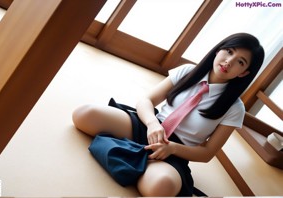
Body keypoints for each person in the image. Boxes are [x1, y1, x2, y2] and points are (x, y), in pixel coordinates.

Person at [72, 33, 264, 196]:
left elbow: (207, 153)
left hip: (175, 151)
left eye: (240, 61)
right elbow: (145, 101)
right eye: (229, 51)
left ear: (244, 73)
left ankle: (138, 159)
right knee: (85, 114)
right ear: (218, 50)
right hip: (149, 126)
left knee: (161, 188)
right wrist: (152, 124)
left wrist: (171, 148)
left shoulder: (235, 108)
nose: (228, 61)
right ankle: (140, 158)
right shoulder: (188, 71)